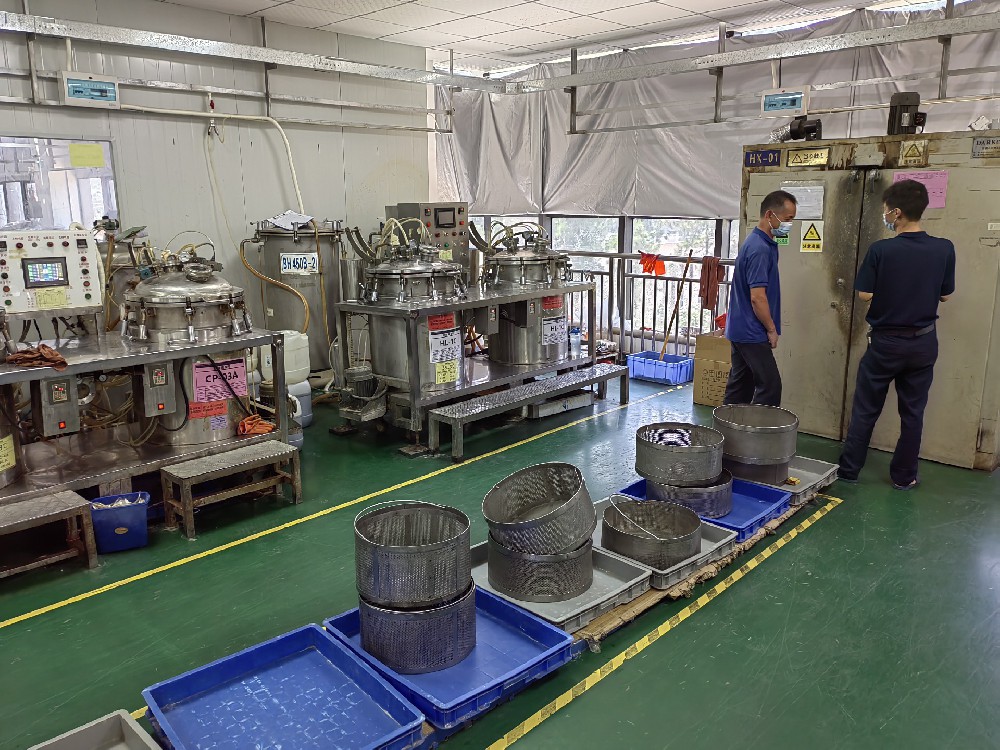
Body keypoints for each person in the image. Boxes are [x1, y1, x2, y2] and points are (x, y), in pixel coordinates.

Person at [838, 179, 955, 490]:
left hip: (886, 343)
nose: (886, 216)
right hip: (923, 343)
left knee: (866, 409)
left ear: (898, 212)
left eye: (887, 211)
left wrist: (891, 294)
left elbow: (865, 294)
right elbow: (945, 295)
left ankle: (849, 471)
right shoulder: (944, 248)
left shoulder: (882, 250)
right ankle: (904, 477)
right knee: (913, 413)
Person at [723, 190, 797, 406]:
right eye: (787, 219)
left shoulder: (761, 243)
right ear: (770, 215)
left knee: (740, 386)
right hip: (751, 331)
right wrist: (771, 329)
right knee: (770, 386)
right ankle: (760, 427)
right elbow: (757, 297)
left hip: (740, 328)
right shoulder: (759, 249)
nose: (789, 224)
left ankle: (730, 426)